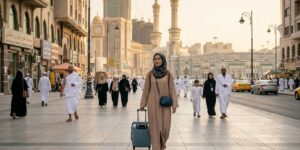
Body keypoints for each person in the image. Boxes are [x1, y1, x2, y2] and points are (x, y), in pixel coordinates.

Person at [140, 53, 179, 150]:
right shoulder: (150, 74)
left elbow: (172, 89)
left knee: (166, 128)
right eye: (155, 59)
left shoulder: (168, 74)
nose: (156, 61)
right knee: (155, 128)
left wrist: (174, 104)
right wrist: (143, 104)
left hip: (165, 104)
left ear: (163, 60)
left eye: (159, 59)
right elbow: (146, 90)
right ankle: (156, 148)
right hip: (153, 103)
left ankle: (162, 145)